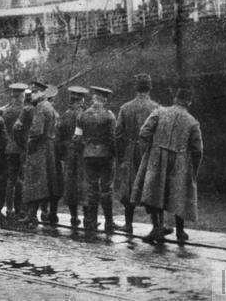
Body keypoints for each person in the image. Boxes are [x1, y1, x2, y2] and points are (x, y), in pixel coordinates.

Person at [132, 87, 203, 244]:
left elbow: (144, 133)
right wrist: (193, 170)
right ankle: (180, 231)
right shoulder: (192, 122)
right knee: (180, 193)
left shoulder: (159, 112)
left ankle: (157, 228)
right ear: (189, 102)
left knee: (154, 192)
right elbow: (198, 150)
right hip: (180, 162)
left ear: (175, 99)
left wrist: (149, 151)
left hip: (156, 157)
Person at [115, 74, 160, 234]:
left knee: (129, 185)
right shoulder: (157, 108)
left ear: (136, 88)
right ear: (150, 88)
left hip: (131, 151)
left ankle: (128, 224)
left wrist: (121, 156)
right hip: (149, 152)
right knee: (151, 186)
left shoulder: (125, 108)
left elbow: (118, 134)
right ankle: (156, 225)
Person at [19, 85, 62, 226]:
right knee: (43, 183)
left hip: (39, 148)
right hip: (48, 147)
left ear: (41, 92)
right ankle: (35, 214)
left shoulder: (40, 107)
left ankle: (31, 215)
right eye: (31, 93)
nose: (32, 95)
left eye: (35, 92)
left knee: (35, 182)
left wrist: (29, 144)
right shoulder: (49, 106)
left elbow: (36, 130)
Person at [77, 86, 117, 232]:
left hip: (88, 155)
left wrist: (85, 150)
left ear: (94, 98)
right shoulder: (109, 116)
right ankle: (109, 222)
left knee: (92, 189)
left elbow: (77, 137)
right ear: (104, 99)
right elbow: (113, 138)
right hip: (105, 156)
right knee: (106, 189)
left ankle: (91, 221)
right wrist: (114, 154)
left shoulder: (82, 115)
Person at [57, 86, 89, 226]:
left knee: (70, 185)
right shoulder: (86, 115)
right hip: (83, 154)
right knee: (85, 185)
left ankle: (73, 216)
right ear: (82, 99)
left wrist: (63, 152)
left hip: (69, 154)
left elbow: (58, 138)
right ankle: (87, 218)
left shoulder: (64, 115)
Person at [0, 83, 27, 218]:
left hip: (9, 147)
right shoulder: (25, 110)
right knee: (20, 179)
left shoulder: (7, 111)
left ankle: (9, 208)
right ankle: (19, 208)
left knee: (10, 180)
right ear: (22, 95)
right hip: (22, 147)